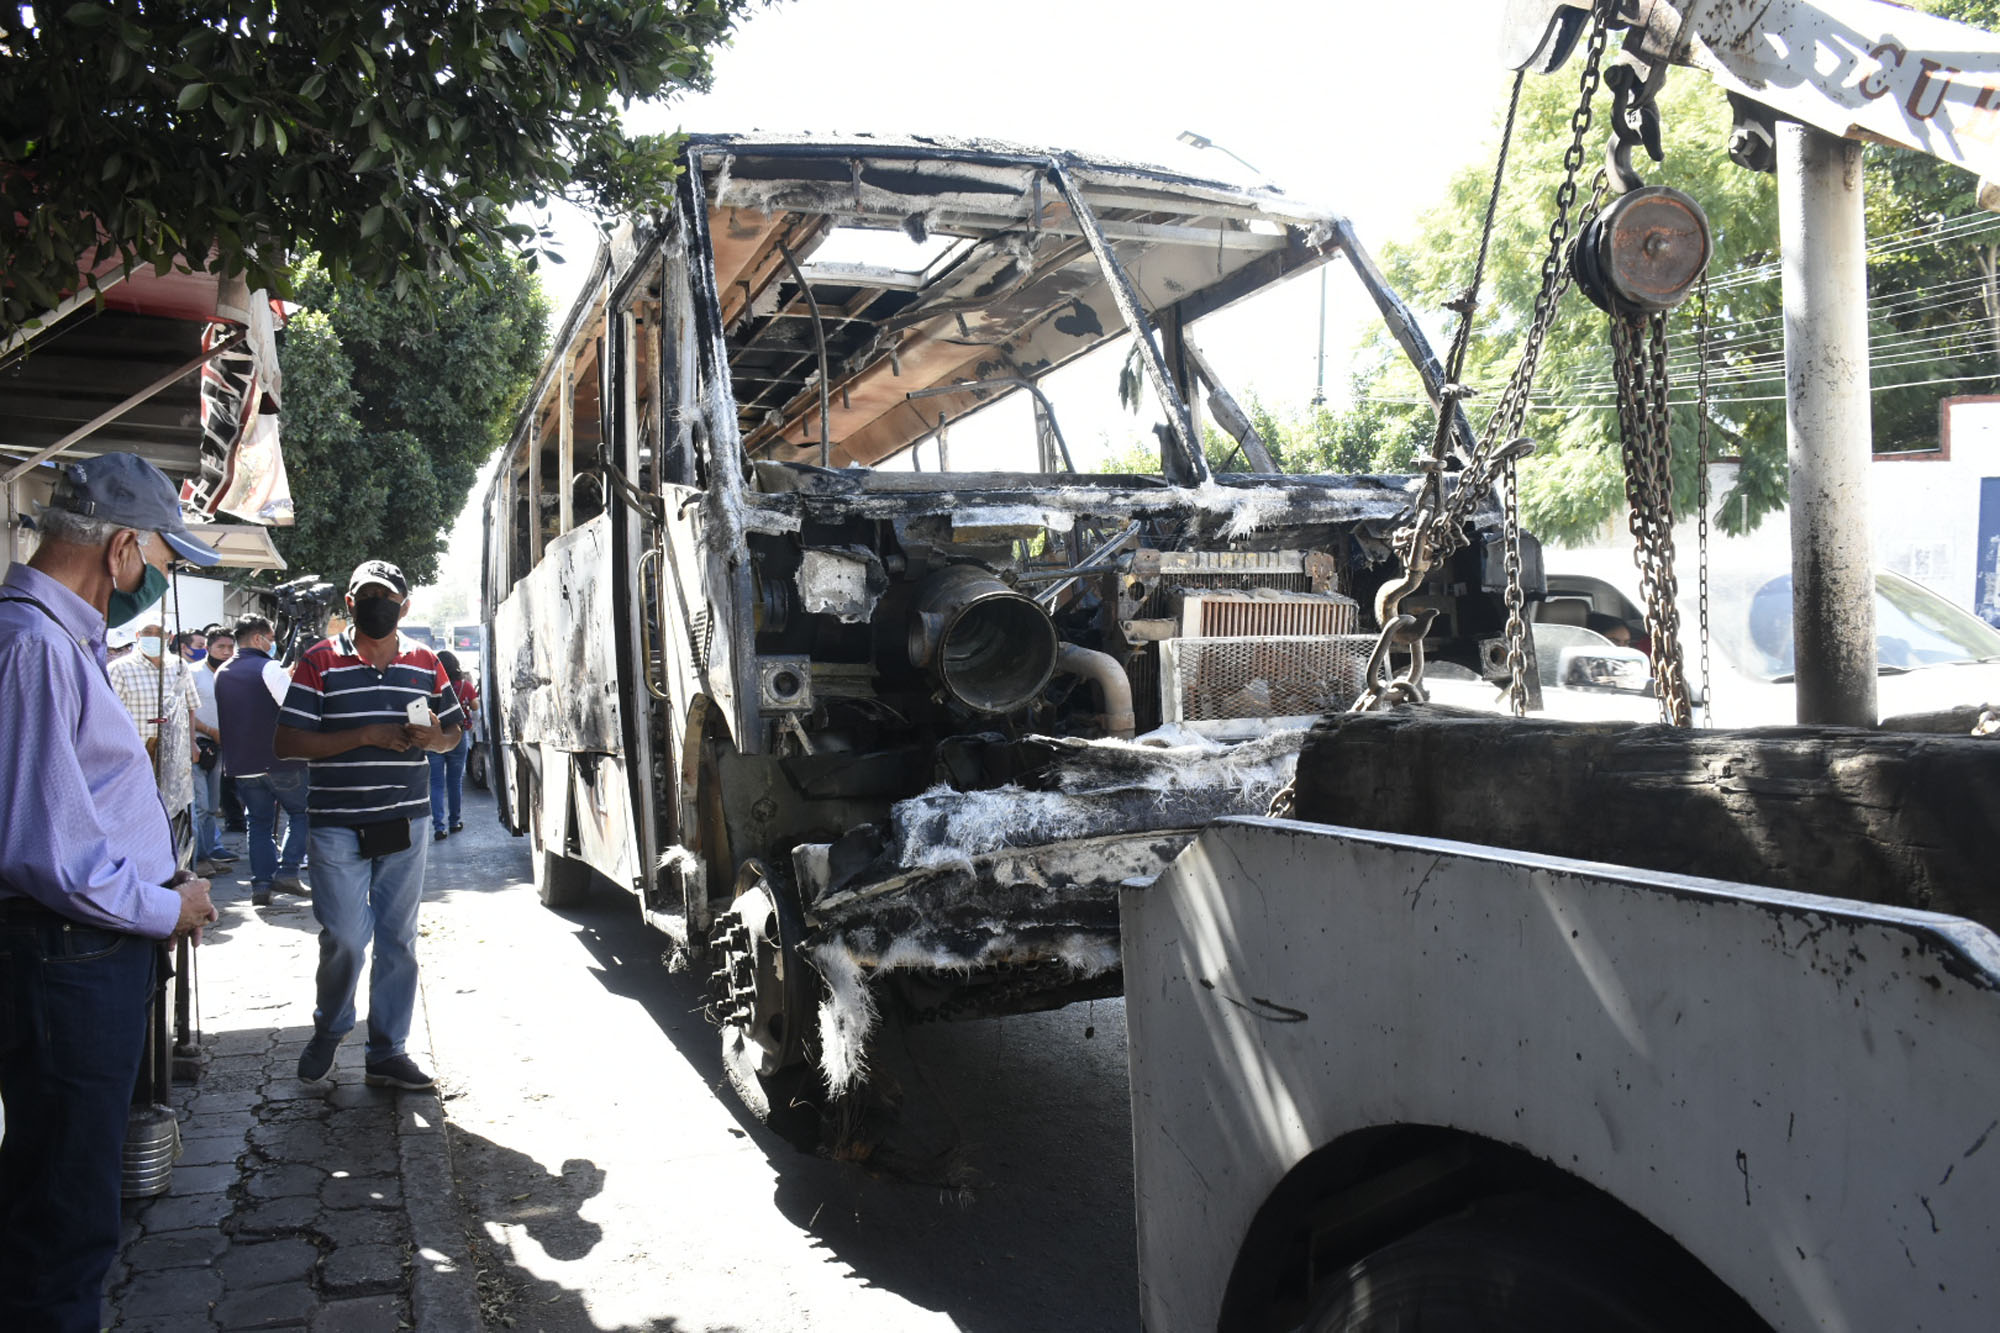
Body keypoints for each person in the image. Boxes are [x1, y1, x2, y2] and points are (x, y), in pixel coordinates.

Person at [0, 452, 219, 1333]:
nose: (156, 583)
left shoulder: (61, 641)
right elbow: (49, 851)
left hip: (83, 955)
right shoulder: (34, 646)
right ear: (121, 547)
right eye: (160, 562)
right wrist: (167, 906)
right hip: (67, 959)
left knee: (68, 1200)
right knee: (64, 1216)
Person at [276, 560, 462, 1091]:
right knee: (345, 937)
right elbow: (287, 742)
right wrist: (366, 735)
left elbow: (453, 732)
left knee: (398, 939)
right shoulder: (319, 661)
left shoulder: (425, 661)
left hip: (405, 821)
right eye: (367, 595)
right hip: (337, 822)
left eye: (388, 596)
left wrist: (435, 739)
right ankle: (331, 1027)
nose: (377, 604)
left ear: (405, 606)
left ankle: (387, 1052)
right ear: (350, 603)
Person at [108, 619, 217, 870]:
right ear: (138, 635)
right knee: (138, 813)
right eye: (148, 632)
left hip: (173, 755)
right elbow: (112, 714)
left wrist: (191, 743)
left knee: (178, 811)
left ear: (169, 637)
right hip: (136, 754)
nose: (154, 637)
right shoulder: (119, 669)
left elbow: (190, 707)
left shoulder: (178, 666)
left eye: (159, 633)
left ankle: (179, 867)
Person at [217, 616, 309, 907]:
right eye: (271, 638)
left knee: (257, 824)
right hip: (280, 759)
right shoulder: (268, 668)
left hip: (243, 763)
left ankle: (261, 885)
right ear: (258, 639)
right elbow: (294, 707)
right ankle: (289, 870)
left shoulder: (222, 671)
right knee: (304, 812)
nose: (273, 643)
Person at [190, 625, 237, 866]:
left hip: (220, 748)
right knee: (200, 804)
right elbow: (185, 711)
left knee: (211, 805)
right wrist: (209, 731)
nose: (226, 652)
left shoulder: (232, 674)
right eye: (221, 647)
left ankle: (210, 851)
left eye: (230, 647)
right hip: (196, 746)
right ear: (208, 648)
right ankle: (197, 858)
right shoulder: (193, 673)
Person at [428, 649, 478, 840]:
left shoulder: (431, 685)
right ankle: (454, 821)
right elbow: (475, 706)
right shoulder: (464, 685)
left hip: (434, 737)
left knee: (436, 783)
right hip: (457, 735)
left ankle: (439, 827)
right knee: (454, 782)